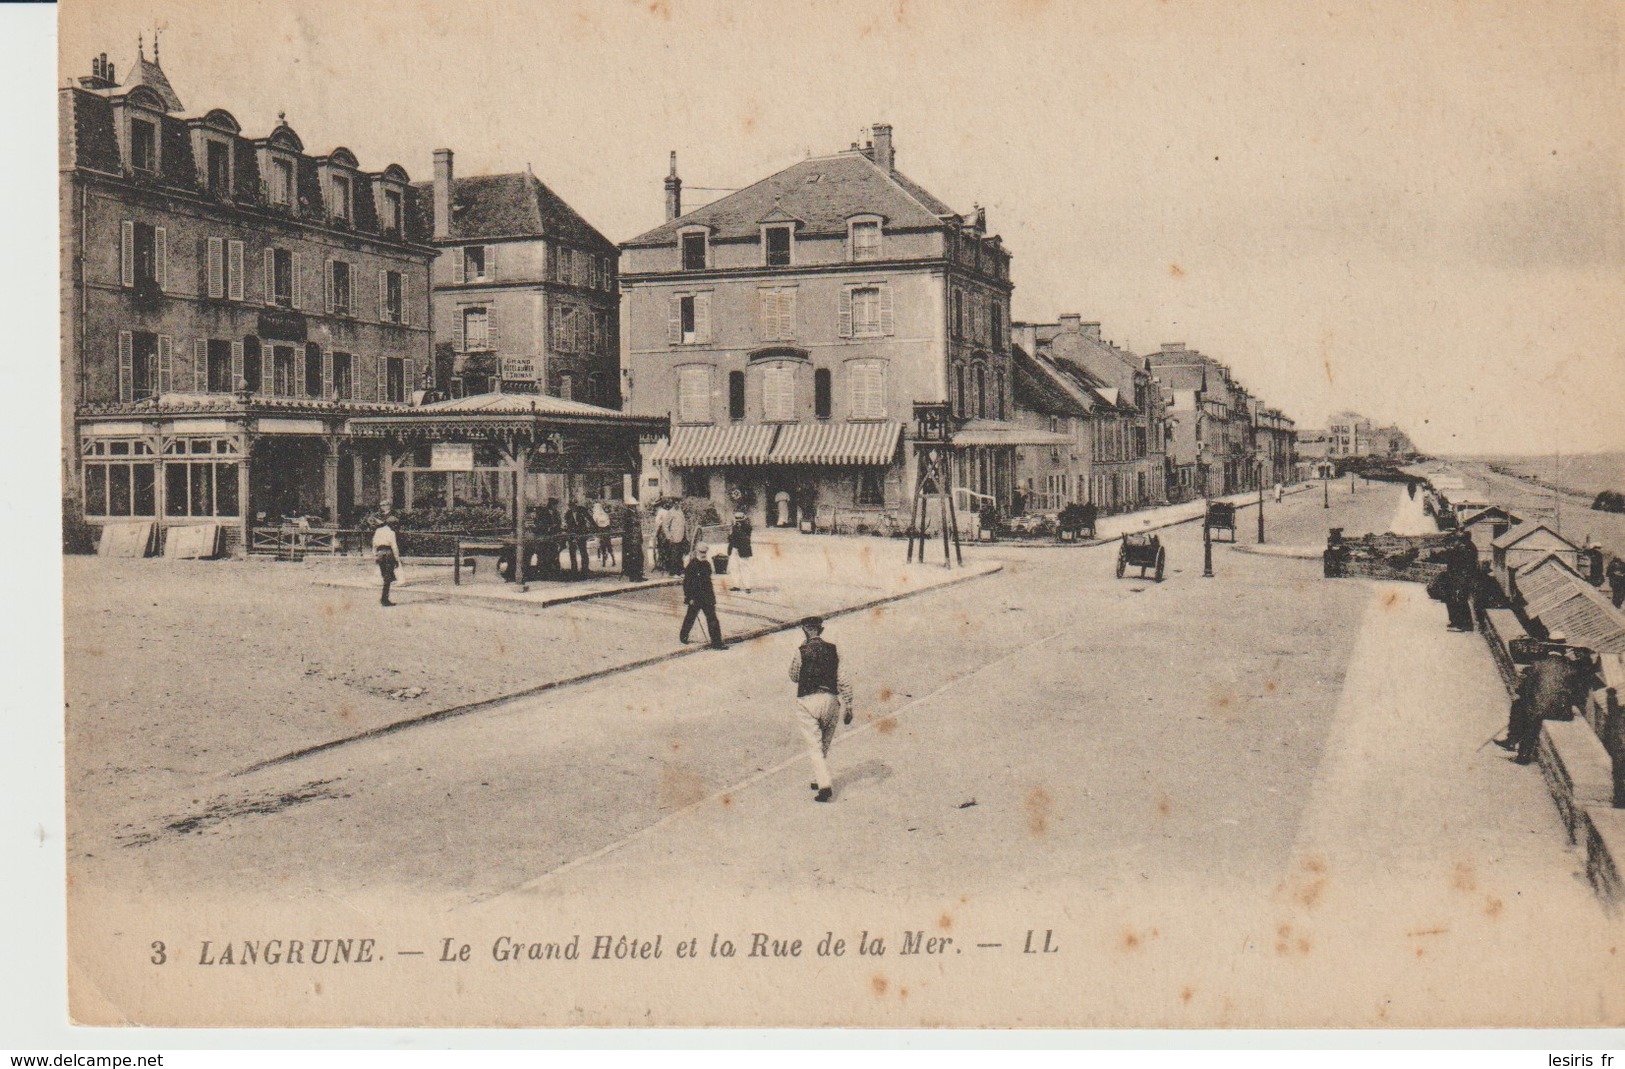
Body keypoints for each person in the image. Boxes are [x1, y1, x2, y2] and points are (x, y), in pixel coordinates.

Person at [787, 616, 854, 803]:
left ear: (805, 630)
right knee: (824, 743)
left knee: (814, 746)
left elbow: (793, 676)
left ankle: (824, 786)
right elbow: (843, 679)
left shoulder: (802, 650)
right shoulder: (833, 650)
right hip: (831, 700)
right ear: (821, 630)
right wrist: (848, 705)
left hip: (808, 701)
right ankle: (819, 778)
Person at [1494, 637, 1592, 764]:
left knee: (1521, 705)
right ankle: (1513, 742)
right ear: (1563, 649)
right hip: (1561, 711)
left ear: (1548, 648)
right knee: (1532, 710)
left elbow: (1524, 689)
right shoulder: (1571, 667)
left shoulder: (1539, 663)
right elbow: (1577, 692)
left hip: (1539, 708)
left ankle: (1517, 747)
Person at [679, 543, 726, 650]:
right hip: (695, 598)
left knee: (712, 619)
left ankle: (717, 643)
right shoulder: (691, 566)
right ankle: (683, 636)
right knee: (690, 618)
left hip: (707, 597)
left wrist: (712, 598)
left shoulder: (707, 564)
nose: (703, 554)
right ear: (696, 552)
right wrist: (689, 597)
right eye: (701, 552)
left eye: (705, 552)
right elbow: (687, 584)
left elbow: (708, 583)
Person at [1442, 529, 1478, 632]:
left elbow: (1463, 565)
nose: (1455, 542)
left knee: (1461, 598)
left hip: (1463, 577)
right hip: (1458, 576)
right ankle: (1456, 621)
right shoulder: (1466, 547)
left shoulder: (1465, 549)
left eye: (1457, 539)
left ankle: (1465, 625)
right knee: (1454, 598)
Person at [372, 515, 401, 608]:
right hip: (388, 553)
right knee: (388, 577)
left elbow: (374, 543)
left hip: (380, 553)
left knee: (385, 575)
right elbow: (394, 546)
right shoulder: (392, 533)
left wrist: (375, 554)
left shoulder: (378, 531)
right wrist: (396, 559)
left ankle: (384, 598)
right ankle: (384, 599)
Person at [725, 510, 754, 593]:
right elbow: (731, 538)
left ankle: (747, 586)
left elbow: (741, 536)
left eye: (739, 520)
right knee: (734, 567)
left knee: (745, 567)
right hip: (734, 548)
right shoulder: (735, 527)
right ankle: (736, 585)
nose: (738, 522)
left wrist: (735, 529)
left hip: (743, 549)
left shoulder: (747, 527)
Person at [564, 500, 592, 575]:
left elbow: (590, 519)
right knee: (572, 551)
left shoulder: (582, 510)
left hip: (581, 533)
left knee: (583, 550)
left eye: (574, 506)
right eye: (570, 506)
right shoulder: (568, 513)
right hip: (572, 534)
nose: (573, 508)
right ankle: (574, 568)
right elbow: (567, 523)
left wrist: (595, 528)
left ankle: (585, 568)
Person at [660, 501, 689, 574]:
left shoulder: (680, 511)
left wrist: (686, 535)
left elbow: (683, 524)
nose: (677, 505)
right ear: (673, 504)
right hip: (674, 536)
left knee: (680, 554)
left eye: (678, 503)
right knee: (674, 555)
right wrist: (668, 536)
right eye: (675, 503)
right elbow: (665, 525)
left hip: (681, 536)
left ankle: (680, 570)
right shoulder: (671, 512)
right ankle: (673, 572)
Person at [621, 496, 645, 582]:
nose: (634, 507)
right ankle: (633, 576)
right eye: (633, 505)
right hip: (632, 540)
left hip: (637, 539)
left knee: (639, 557)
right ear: (630, 506)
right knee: (633, 558)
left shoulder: (635, 513)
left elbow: (639, 528)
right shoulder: (628, 514)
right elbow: (628, 529)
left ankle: (639, 574)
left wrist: (640, 537)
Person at [592, 499, 617, 567]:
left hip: (601, 531)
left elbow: (594, 524)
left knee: (602, 546)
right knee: (608, 546)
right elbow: (608, 523)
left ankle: (603, 562)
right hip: (606, 531)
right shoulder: (605, 514)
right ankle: (612, 561)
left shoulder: (596, 515)